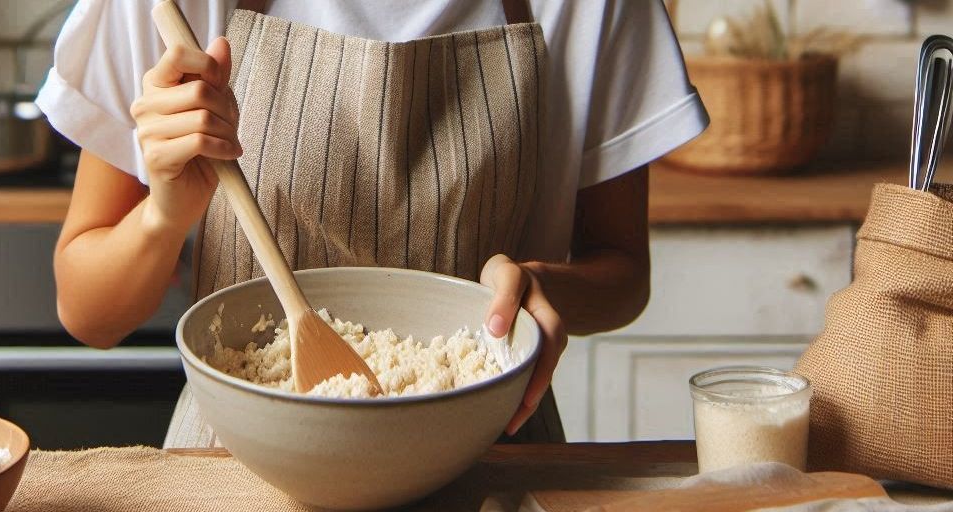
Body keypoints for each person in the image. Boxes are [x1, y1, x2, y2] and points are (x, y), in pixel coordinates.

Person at [37, 0, 708, 446]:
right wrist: (163, 215)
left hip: (488, 463)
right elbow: (89, 312)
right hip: (236, 470)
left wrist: (540, 289)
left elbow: (622, 269)